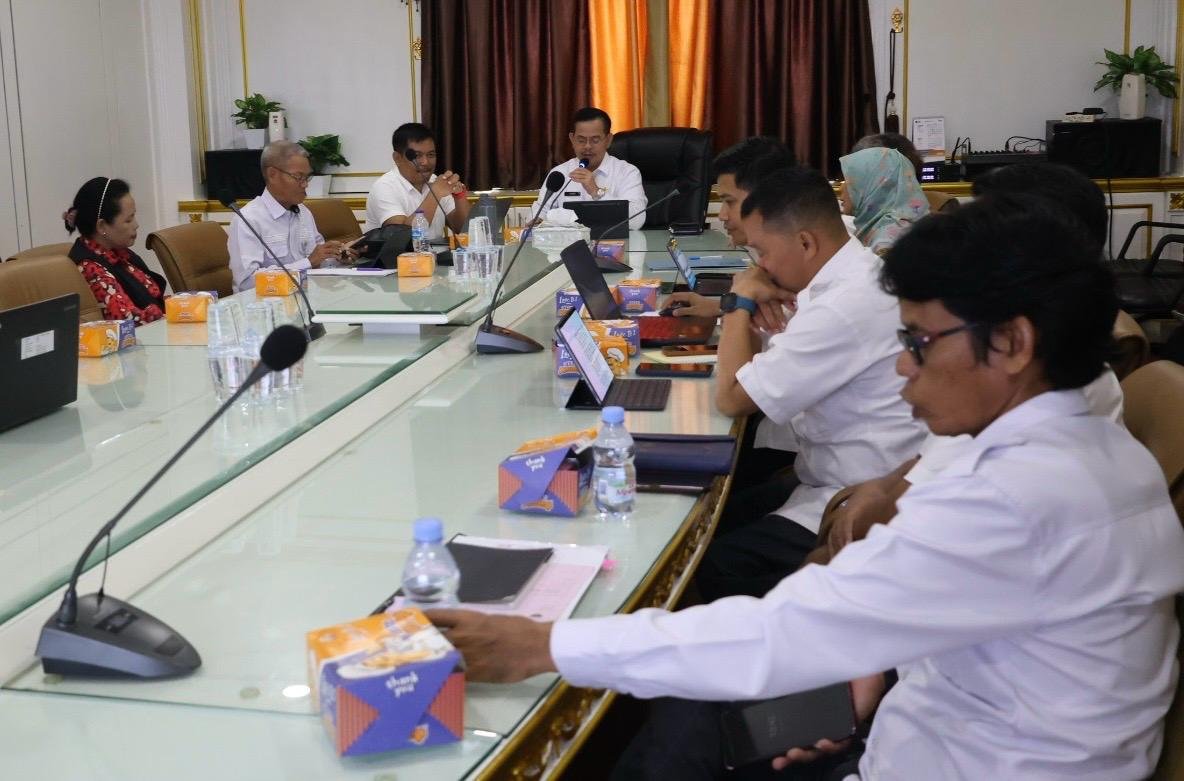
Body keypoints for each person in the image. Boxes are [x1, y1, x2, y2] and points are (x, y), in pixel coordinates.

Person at [429, 195, 1184, 780]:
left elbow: (778, 636)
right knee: (702, 717)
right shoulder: (1084, 446)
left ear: (1014, 342)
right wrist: (872, 671)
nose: (902, 367)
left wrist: (544, 643)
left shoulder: (1014, 497)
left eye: (918, 342)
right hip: (953, 722)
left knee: (679, 733)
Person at [817, 161, 1122, 562]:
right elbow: (928, 460)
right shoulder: (1016, 376)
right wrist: (879, 486)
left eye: (920, 342)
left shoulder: (1005, 477)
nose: (904, 366)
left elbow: (891, 529)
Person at [699, 167, 926, 601]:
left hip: (857, 490)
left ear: (805, 242)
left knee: (713, 563)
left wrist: (737, 302)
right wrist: (750, 311)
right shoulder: (846, 274)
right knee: (715, 514)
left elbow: (732, 398)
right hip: (827, 473)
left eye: (763, 252)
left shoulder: (843, 305)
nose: (760, 266)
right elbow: (754, 361)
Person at [660, 136, 796, 321]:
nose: (722, 215)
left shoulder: (804, 273)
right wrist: (721, 307)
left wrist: (736, 304)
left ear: (768, 200)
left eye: (730, 202)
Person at [228, 141, 351, 292]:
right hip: (265, 303)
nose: (305, 185)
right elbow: (246, 283)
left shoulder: (303, 212)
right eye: (298, 177)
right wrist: (308, 262)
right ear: (272, 174)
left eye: (307, 177)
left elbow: (317, 261)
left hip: (306, 296)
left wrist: (338, 257)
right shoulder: (248, 220)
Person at [64, 176, 167, 326]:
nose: (136, 225)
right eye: (128, 220)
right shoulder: (90, 268)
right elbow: (127, 322)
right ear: (102, 226)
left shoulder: (119, 253)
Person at [529, 107, 647, 229]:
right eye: (581, 140)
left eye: (595, 140)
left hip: (615, 240)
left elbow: (636, 221)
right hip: (569, 241)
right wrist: (538, 222)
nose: (587, 146)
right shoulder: (560, 174)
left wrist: (596, 192)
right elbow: (536, 216)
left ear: (608, 140)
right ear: (572, 139)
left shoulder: (627, 172)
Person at [363, 122, 471, 236]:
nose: (425, 162)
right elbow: (401, 236)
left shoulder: (435, 181)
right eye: (417, 156)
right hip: (398, 249)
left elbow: (462, 228)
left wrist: (459, 196)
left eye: (431, 155)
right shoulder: (384, 187)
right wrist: (435, 193)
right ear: (397, 158)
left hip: (435, 248)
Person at [838, 147, 928, 256]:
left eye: (848, 181)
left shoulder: (885, 242)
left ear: (872, 186)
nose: (841, 188)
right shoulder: (898, 225)